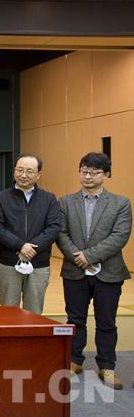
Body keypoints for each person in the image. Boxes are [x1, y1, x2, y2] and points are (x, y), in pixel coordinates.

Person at [57, 152, 131, 390]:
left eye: (94, 172)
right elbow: (61, 233)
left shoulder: (120, 203)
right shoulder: (65, 202)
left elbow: (120, 236)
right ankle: (74, 360)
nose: (87, 176)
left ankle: (107, 366)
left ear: (106, 174)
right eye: (84, 171)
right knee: (75, 319)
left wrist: (89, 256)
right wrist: (77, 257)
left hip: (109, 272)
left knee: (107, 321)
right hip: (74, 270)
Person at [0, 154, 62, 315]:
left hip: (39, 263)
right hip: (9, 263)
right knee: (8, 312)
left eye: (29, 171)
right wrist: (20, 246)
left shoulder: (49, 199)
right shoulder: (0, 198)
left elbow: (54, 227)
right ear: (14, 171)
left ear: (38, 174)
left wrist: (32, 248)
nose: (23, 175)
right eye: (20, 170)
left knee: (34, 312)